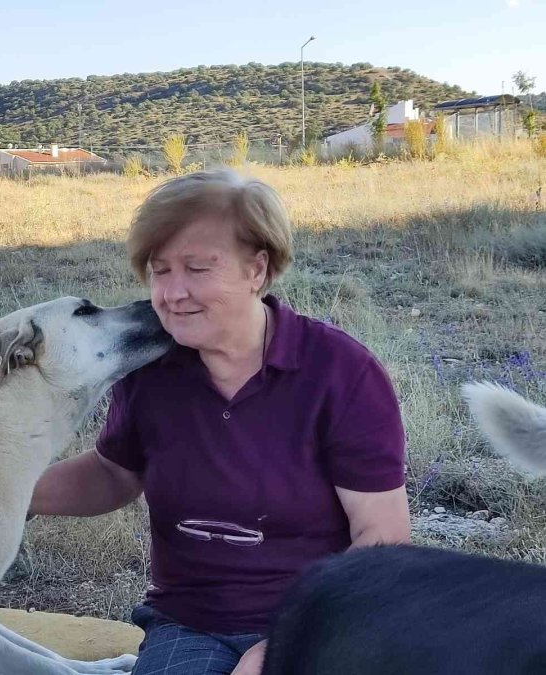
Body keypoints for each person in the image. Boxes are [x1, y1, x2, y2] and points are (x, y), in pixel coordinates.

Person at [29, 169, 411, 675]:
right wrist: (8, 491)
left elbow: (381, 537)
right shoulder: (151, 371)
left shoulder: (341, 374)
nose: (172, 293)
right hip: (193, 625)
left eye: (198, 268)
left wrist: (282, 645)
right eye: (160, 270)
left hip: (323, 623)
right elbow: (114, 473)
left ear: (257, 269)